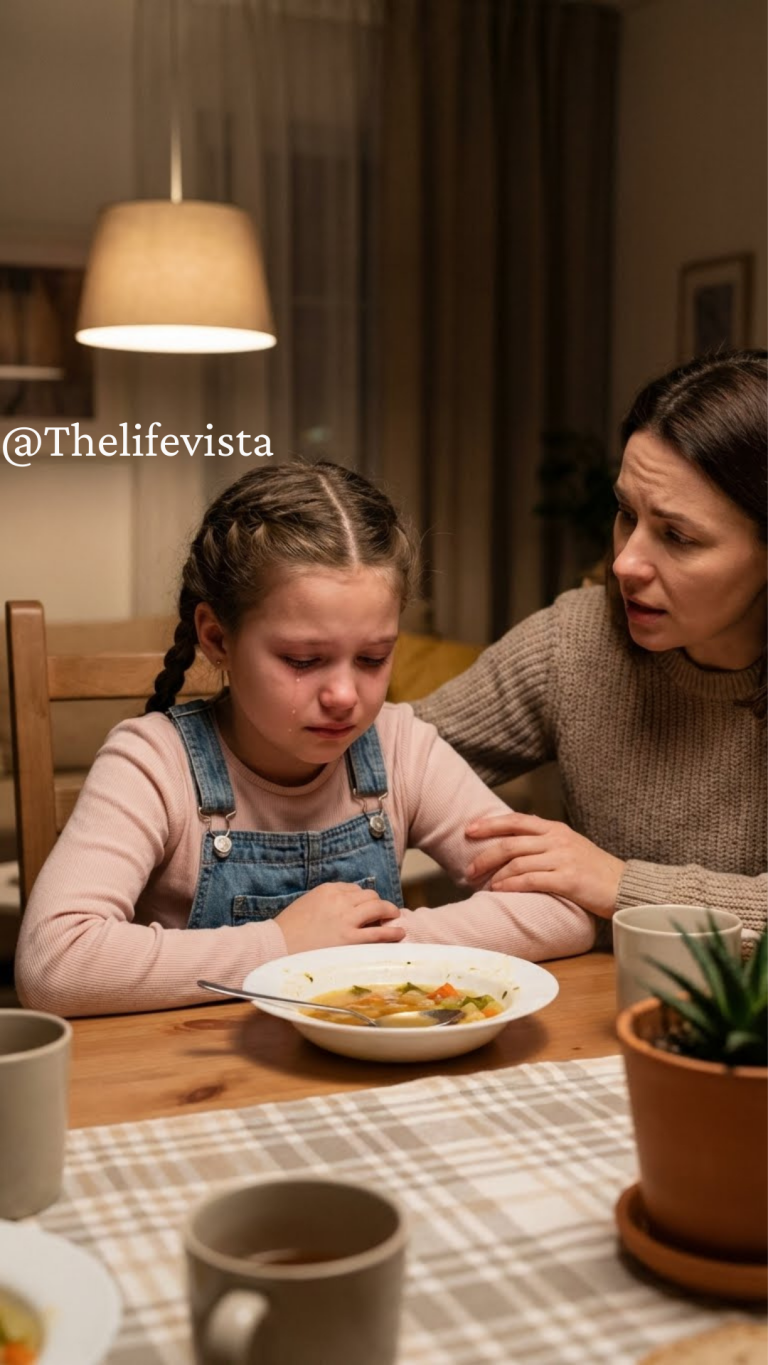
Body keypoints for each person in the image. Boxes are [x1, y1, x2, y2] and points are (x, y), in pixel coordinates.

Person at [16, 461, 594, 1017]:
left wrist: (371, 942)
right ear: (217, 638)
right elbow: (55, 963)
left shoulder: (401, 747)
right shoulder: (151, 763)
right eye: (303, 659)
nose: (345, 694)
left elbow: (563, 908)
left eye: (373, 657)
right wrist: (280, 945)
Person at [414, 350, 767, 939]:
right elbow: (395, 761)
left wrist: (620, 884)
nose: (626, 563)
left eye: (677, 536)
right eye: (626, 513)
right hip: (599, 1013)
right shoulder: (578, 641)